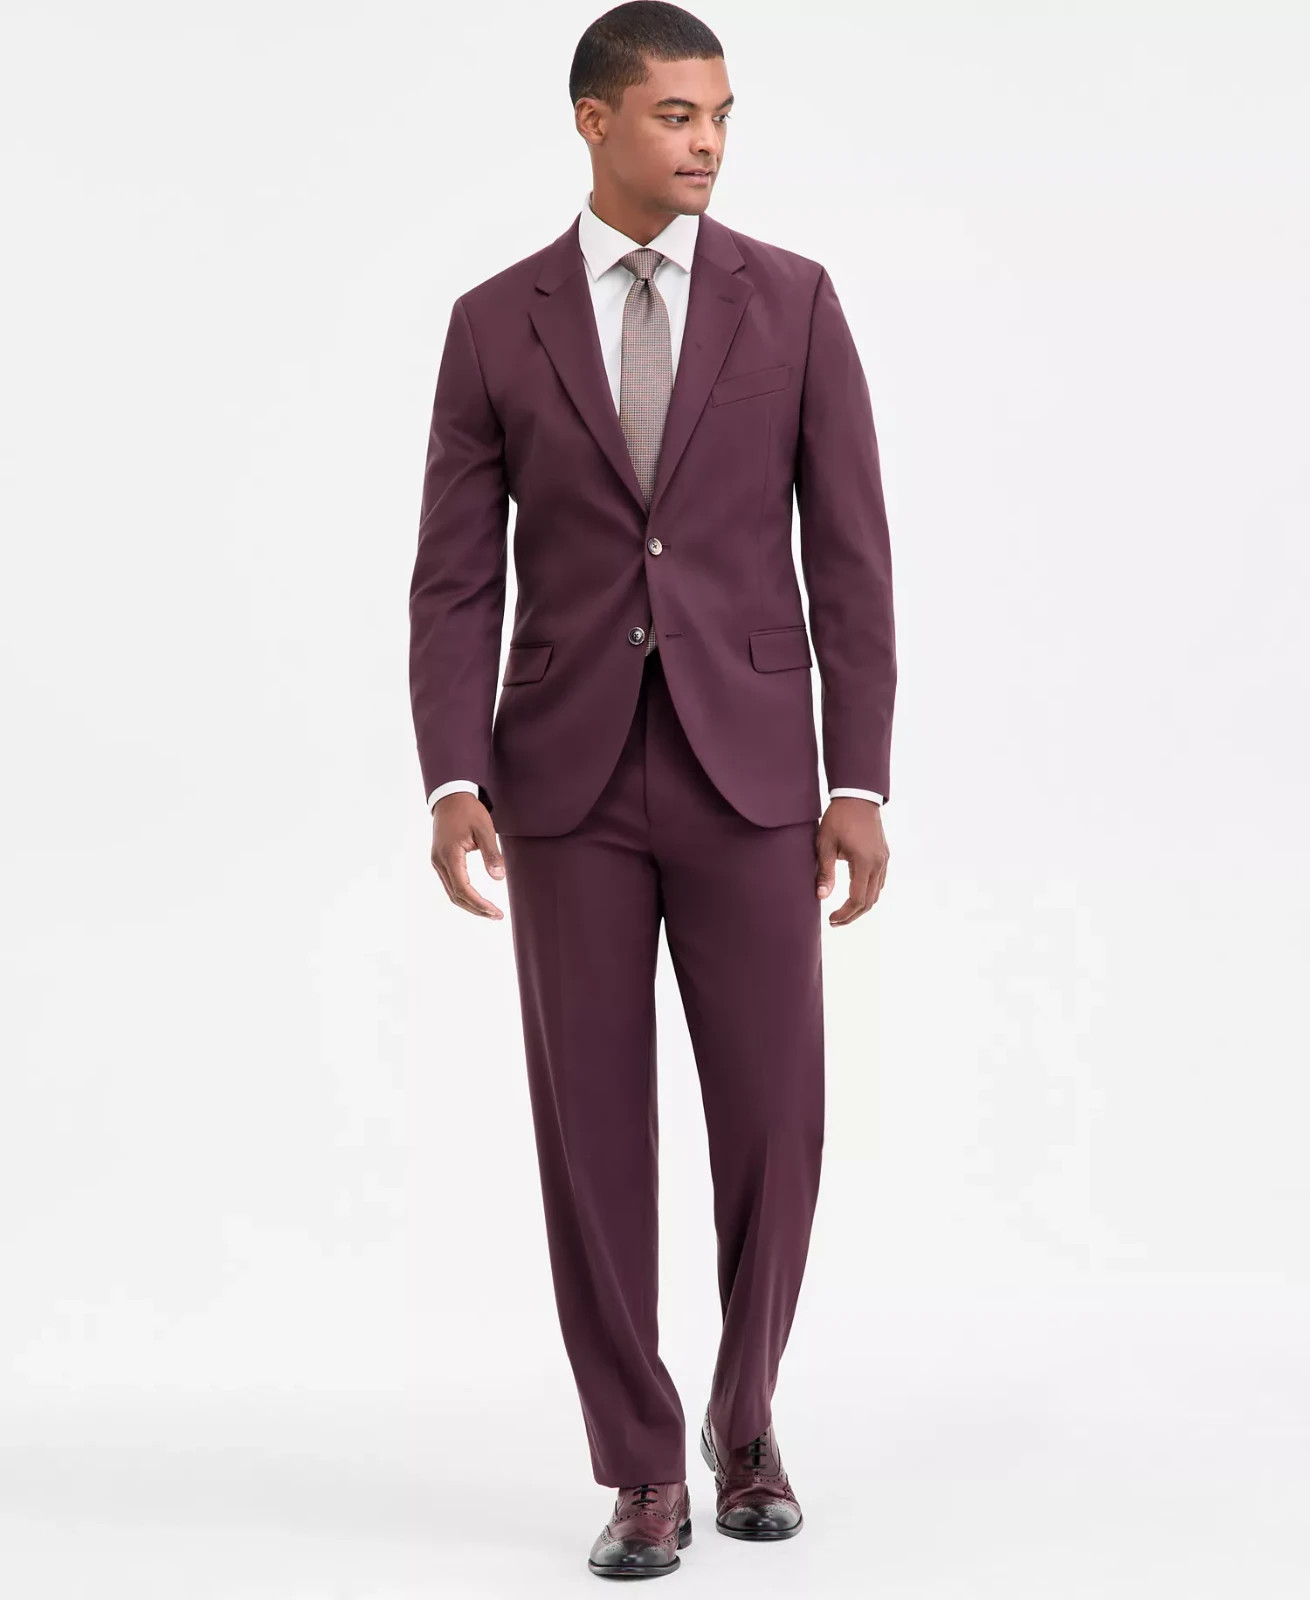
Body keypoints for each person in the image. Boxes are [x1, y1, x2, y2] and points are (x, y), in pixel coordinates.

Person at [408, 0, 895, 1578]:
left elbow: (851, 559)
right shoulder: (495, 321)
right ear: (593, 120)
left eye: (722, 115)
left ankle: (743, 1423)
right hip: (561, 787)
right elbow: (452, 579)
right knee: (590, 1141)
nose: (707, 142)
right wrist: (452, 771)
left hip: (751, 778)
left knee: (776, 1121)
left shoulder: (793, 300)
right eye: (678, 113)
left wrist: (859, 778)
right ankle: (637, 1464)